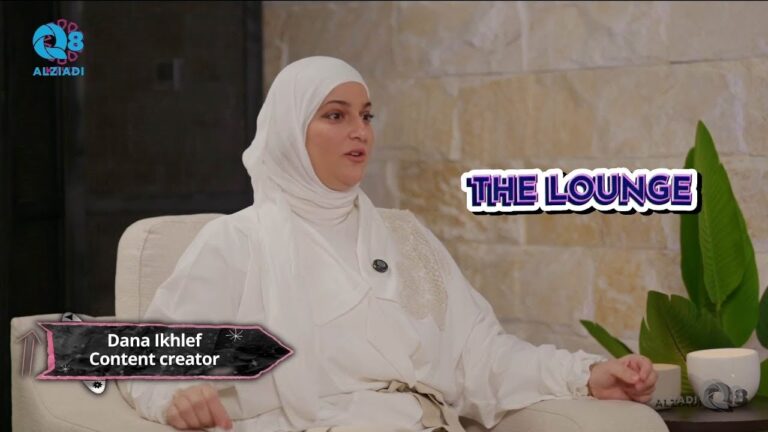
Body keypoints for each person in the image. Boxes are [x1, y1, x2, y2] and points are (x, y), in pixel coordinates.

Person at [127, 56, 657, 432]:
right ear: (291, 131)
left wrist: (586, 375)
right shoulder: (238, 241)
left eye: (366, 115)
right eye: (336, 115)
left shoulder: (404, 234)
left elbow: (481, 357)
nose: (360, 130)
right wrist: (175, 398)